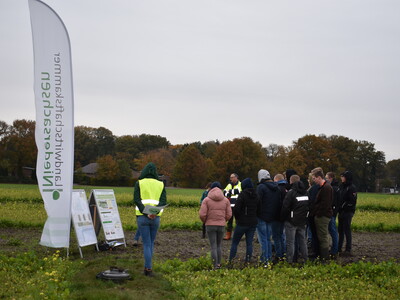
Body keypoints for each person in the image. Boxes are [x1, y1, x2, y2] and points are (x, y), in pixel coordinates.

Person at [134, 162, 167, 277]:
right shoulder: (161, 184)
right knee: (151, 243)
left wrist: (146, 212)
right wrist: (154, 212)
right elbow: (163, 201)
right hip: (155, 218)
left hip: (142, 217)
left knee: (146, 244)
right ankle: (148, 267)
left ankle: (148, 268)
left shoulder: (139, 183)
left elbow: (137, 200)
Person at [199, 181, 232, 269]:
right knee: (219, 245)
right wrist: (223, 220)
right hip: (221, 225)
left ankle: (214, 266)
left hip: (210, 225)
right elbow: (229, 214)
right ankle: (218, 264)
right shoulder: (225, 200)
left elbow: (202, 214)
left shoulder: (206, 200)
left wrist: (206, 221)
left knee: (213, 245)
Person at [229, 178, 260, 263]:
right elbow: (259, 208)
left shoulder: (242, 195)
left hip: (242, 223)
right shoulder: (256, 195)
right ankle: (248, 260)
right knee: (249, 243)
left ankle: (231, 260)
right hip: (253, 222)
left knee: (235, 242)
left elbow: (236, 209)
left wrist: (238, 218)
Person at [281, 175, 309, 264]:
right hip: (302, 220)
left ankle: (289, 261)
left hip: (291, 222)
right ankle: (305, 259)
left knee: (290, 242)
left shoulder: (291, 192)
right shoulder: (306, 192)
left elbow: (285, 207)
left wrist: (284, 218)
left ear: (291, 181)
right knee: (302, 241)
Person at [256, 169, 283, 264]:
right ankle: (269, 258)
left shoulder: (261, 188)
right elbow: (278, 203)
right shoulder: (276, 188)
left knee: (263, 239)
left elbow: (258, 202)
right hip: (271, 217)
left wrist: (257, 213)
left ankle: (265, 260)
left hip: (262, 217)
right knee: (268, 238)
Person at [310, 167, 333, 261]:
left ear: (319, 177)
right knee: (321, 237)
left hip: (322, 217)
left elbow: (325, 204)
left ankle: (325, 258)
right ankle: (322, 256)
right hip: (321, 215)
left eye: (314, 178)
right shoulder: (324, 187)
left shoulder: (326, 188)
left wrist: (317, 214)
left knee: (323, 237)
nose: (313, 180)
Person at [338, 171, 357, 256]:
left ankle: (348, 249)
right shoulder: (342, 187)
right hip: (341, 212)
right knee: (340, 230)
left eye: (343, 176)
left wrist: (343, 206)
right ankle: (339, 247)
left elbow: (352, 201)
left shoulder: (351, 188)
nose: (341, 178)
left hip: (347, 212)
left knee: (347, 230)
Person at [325, 171, 340, 257]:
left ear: (331, 178)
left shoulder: (332, 188)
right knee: (332, 231)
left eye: (327, 178)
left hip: (331, 213)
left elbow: (333, 201)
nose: (326, 180)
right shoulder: (336, 188)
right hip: (333, 212)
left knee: (332, 231)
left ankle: (334, 250)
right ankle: (335, 249)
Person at [223, 173, 242, 240]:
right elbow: (224, 192)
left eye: (232, 177)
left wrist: (230, 192)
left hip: (237, 206)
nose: (231, 179)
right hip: (230, 206)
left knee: (238, 221)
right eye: (230, 177)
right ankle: (228, 235)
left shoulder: (240, 184)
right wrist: (231, 192)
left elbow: (239, 191)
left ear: (236, 177)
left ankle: (238, 235)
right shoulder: (229, 184)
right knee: (229, 221)